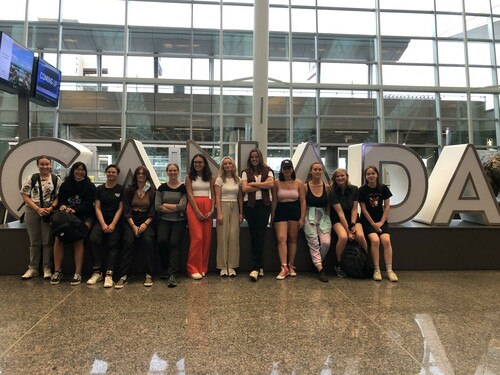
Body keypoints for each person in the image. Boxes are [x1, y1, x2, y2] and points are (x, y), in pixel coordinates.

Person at [50, 162, 96, 286]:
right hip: (66, 217)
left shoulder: (90, 186)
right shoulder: (65, 185)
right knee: (58, 238)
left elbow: (88, 204)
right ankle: (57, 270)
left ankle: (78, 272)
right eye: (77, 169)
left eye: (82, 170)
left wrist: (75, 210)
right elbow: (61, 200)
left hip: (83, 216)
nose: (80, 172)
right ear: (73, 171)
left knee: (78, 239)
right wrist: (63, 206)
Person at [20, 155, 62, 280]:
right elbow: (25, 195)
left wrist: (51, 207)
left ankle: (47, 268)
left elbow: (58, 196)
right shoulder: (31, 178)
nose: (44, 167)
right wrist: (37, 209)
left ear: (50, 165)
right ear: (38, 165)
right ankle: (33, 268)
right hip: (33, 211)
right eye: (42, 164)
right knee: (34, 242)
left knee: (47, 241)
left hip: (48, 212)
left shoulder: (56, 179)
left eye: (47, 164)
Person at [114, 166, 156, 288]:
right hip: (130, 220)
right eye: (139, 174)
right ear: (135, 176)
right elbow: (126, 209)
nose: (141, 176)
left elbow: (153, 211)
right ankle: (123, 276)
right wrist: (133, 226)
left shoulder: (152, 191)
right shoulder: (129, 190)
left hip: (146, 220)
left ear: (146, 175)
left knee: (148, 241)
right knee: (128, 241)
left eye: (143, 174)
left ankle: (148, 274)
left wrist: (145, 224)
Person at [359, 165, 398, 282]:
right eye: (368, 174)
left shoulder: (383, 188)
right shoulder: (362, 190)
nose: (371, 176)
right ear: (365, 177)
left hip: (381, 221)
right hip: (367, 221)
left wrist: (381, 222)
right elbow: (363, 209)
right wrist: (372, 223)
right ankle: (377, 270)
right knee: (375, 240)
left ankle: (389, 270)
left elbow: (387, 206)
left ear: (377, 175)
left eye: (373, 173)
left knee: (386, 240)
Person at [87, 164, 124, 288]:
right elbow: (97, 207)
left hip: (115, 222)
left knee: (112, 244)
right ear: (106, 173)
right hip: (101, 220)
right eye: (109, 172)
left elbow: (120, 209)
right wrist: (103, 224)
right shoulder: (99, 189)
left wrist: (113, 224)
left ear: (117, 174)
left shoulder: (121, 189)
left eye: (114, 172)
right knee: (93, 240)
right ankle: (97, 272)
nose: (111, 174)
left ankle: (109, 274)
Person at [241, 148, 274, 281]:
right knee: (254, 235)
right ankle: (258, 266)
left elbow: (271, 184)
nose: (254, 159)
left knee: (260, 235)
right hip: (250, 206)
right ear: (250, 159)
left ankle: (256, 267)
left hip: (264, 205)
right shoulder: (245, 172)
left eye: (256, 157)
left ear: (260, 158)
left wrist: (253, 183)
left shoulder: (268, 170)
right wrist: (263, 185)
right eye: (252, 157)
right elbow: (244, 189)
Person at [330, 168, 368, 278]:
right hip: (338, 219)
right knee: (343, 237)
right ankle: (338, 265)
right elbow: (340, 213)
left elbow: (354, 209)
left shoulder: (355, 189)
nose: (340, 178)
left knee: (360, 235)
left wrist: (352, 224)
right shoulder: (332, 192)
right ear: (335, 179)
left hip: (353, 217)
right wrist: (348, 232)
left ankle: (365, 262)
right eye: (337, 176)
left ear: (347, 176)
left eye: (342, 175)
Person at [271, 159, 306, 280]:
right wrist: (272, 215)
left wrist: (302, 218)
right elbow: (274, 200)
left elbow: (303, 202)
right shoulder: (276, 183)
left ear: (292, 169)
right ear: (281, 170)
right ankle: (284, 267)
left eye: (289, 168)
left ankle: (291, 265)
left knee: (292, 238)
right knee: (281, 238)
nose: (287, 170)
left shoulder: (299, 183)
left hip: (294, 211)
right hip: (281, 210)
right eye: (284, 168)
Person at [155, 163, 187, 288]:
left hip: (179, 220)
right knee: (161, 240)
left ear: (178, 172)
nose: (172, 172)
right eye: (170, 170)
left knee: (174, 243)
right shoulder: (161, 188)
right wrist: (175, 208)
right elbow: (157, 207)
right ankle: (165, 269)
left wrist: (166, 204)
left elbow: (183, 207)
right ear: (167, 172)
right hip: (164, 219)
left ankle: (172, 274)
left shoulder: (183, 188)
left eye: (175, 170)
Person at [185, 154, 215, 280]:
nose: (197, 164)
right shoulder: (189, 177)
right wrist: (196, 211)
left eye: (200, 162)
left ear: (204, 164)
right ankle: (191, 268)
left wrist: (212, 209)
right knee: (197, 237)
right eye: (195, 162)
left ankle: (202, 267)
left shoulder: (210, 177)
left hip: (207, 206)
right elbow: (189, 195)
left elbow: (213, 195)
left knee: (206, 239)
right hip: (193, 207)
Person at [215, 156, 243, 277]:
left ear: (233, 165)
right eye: (225, 164)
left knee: (233, 237)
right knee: (222, 237)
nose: (227, 165)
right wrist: (219, 213)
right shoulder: (219, 180)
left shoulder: (238, 180)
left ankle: (231, 266)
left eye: (229, 163)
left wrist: (241, 213)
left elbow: (240, 197)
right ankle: (222, 266)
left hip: (235, 207)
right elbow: (217, 197)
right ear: (222, 166)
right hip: (223, 206)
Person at [303, 162, 331, 282]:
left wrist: (328, 217)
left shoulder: (327, 187)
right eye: (315, 169)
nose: (318, 171)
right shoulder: (305, 187)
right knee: (313, 241)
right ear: (311, 171)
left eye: (320, 169)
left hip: (323, 216)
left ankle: (316, 262)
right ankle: (320, 269)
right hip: (309, 215)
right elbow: (303, 203)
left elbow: (329, 204)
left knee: (326, 243)